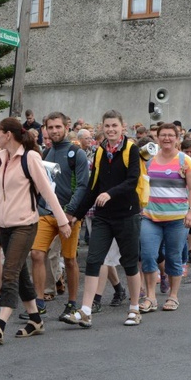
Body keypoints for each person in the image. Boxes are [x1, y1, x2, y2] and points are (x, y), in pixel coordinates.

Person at [0, 117, 71, 344]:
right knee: (21, 275)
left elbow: (47, 191)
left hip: (26, 224)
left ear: (9, 135)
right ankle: (35, 320)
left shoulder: (31, 157)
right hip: (5, 226)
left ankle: (0, 325)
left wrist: (62, 220)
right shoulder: (1, 158)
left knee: (10, 272)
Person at [62, 109, 143, 328]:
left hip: (126, 214)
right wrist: (76, 216)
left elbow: (132, 181)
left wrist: (111, 193)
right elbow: (93, 187)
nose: (111, 130)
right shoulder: (99, 151)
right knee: (93, 260)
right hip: (103, 217)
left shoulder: (130, 149)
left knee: (129, 262)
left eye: (114, 126)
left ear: (122, 127)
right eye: (107, 126)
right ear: (102, 128)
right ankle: (86, 310)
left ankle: (135, 308)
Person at [27, 112, 89, 322]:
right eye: (50, 127)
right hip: (46, 214)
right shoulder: (45, 153)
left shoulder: (76, 153)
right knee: (36, 254)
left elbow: (82, 186)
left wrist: (70, 212)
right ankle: (39, 302)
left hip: (69, 216)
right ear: (45, 129)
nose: (54, 131)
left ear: (66, 127)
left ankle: (72, 303)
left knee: (70, 259)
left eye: (57, 127)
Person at [139, 124, 191, 313]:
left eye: (170, 135)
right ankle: (150, 297)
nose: (166, 138)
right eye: (163, 135)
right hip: (150, 216)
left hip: (177, 218)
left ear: (177, 138)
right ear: (156, 137)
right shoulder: (148, 160)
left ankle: (173, 296)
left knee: (173, 257)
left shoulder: (184, 160)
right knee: (148, 255)